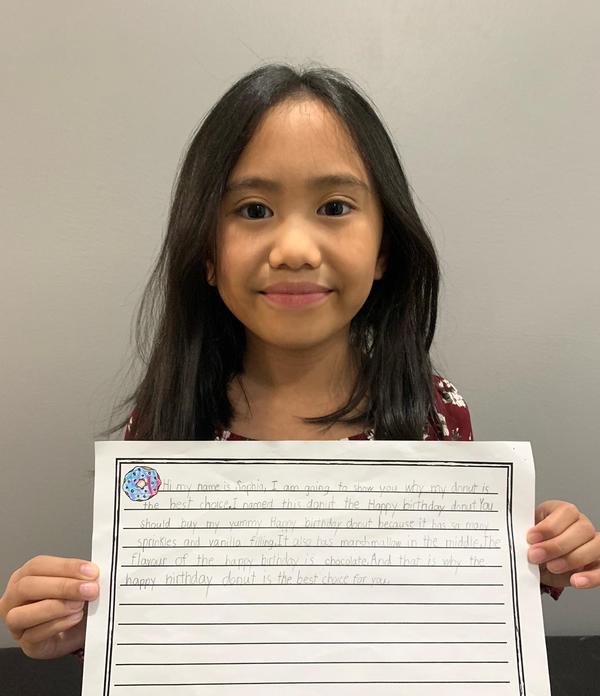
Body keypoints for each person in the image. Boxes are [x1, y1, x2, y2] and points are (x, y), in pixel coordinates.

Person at [1, 63, 598, 664]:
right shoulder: (167, 426)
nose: (293, 250)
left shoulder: (433, 414)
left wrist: (542, 555)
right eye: (254, 210)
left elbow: (458, 598)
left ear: (384, 247)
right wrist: (73, 617)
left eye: (335, 207)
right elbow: (151, 626)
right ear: (207, 252)